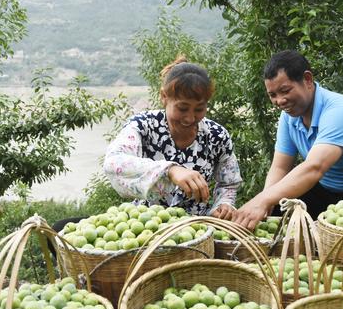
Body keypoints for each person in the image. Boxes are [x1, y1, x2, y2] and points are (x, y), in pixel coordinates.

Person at [232, 50, 343, 230]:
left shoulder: (340, 110)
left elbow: (314, 167)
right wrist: (266, 201)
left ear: (307, 80)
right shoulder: (289, 117)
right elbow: (280, 167)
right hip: (331, 191)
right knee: (278, 208)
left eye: (285, 90)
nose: (280, 101)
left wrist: (263, 200)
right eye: (272, 95)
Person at [101, 56, 242, 219]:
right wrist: (170, 170)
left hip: (196, 229)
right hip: (146, 227)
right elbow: (114, 163)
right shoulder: (143, 126)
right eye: (182, 108)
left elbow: (229, 183)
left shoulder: (216, 136)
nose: (190, 118)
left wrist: (223, 204)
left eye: (199, 109)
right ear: (164, 97)